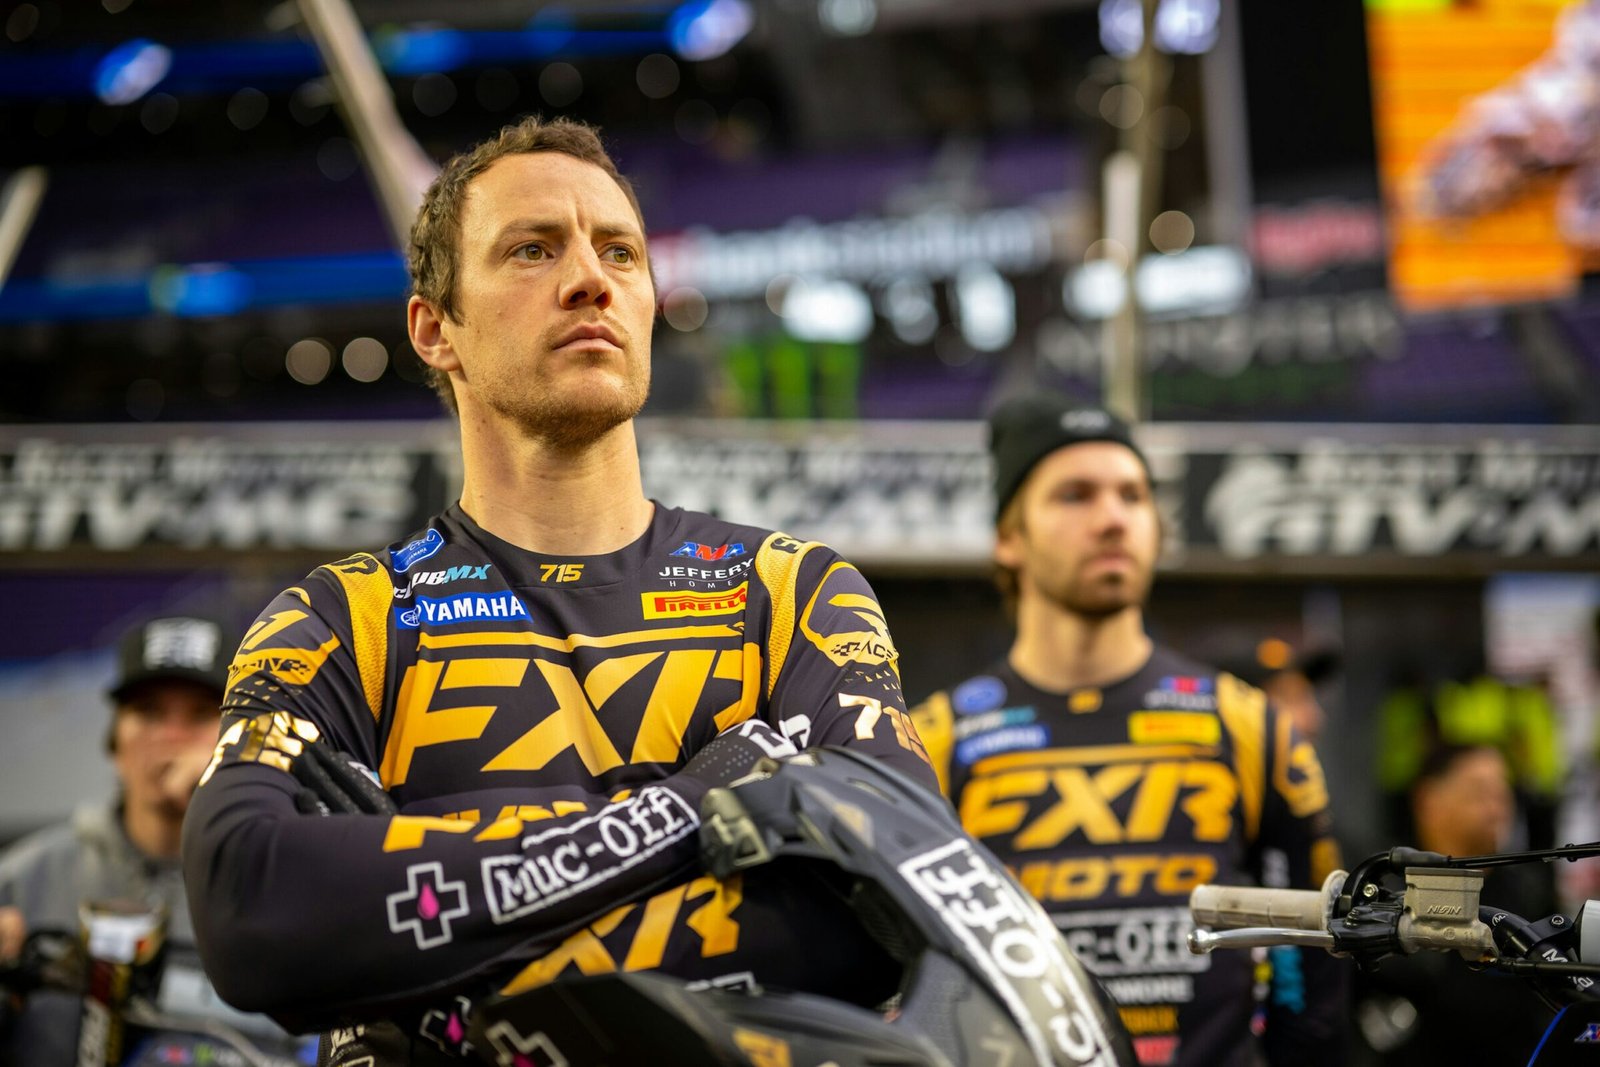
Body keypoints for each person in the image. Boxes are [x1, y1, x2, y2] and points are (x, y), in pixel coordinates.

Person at [180, 115, 937, 1066]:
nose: (591, 279)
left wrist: (427, 939)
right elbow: (252, 910)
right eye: (532, 250)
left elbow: (892, 903)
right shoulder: (342, 620)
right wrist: (688, 810)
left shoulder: (790, 590)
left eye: (620, 251)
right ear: (434, 329)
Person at [909, 395, 1346, 1067]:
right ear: (1008, 537)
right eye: (1074, 495)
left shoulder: (1248, 724)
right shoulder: (930, 742)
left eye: (1133, 495)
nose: (1113, 518)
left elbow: (1315, 964)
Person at [0, 615, 311, 1066]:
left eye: (201, 714)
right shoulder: (26, 880)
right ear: (114, 741)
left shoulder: (287, 881)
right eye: (148, 712)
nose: (172, 737)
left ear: (239, 738)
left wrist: (227, 799)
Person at [1351, 743, 1558, 1066]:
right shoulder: (1384, 889)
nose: (1496, 808)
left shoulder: (1528, 893)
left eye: (1503, 793)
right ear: (1428, 801)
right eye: (1480, 793)